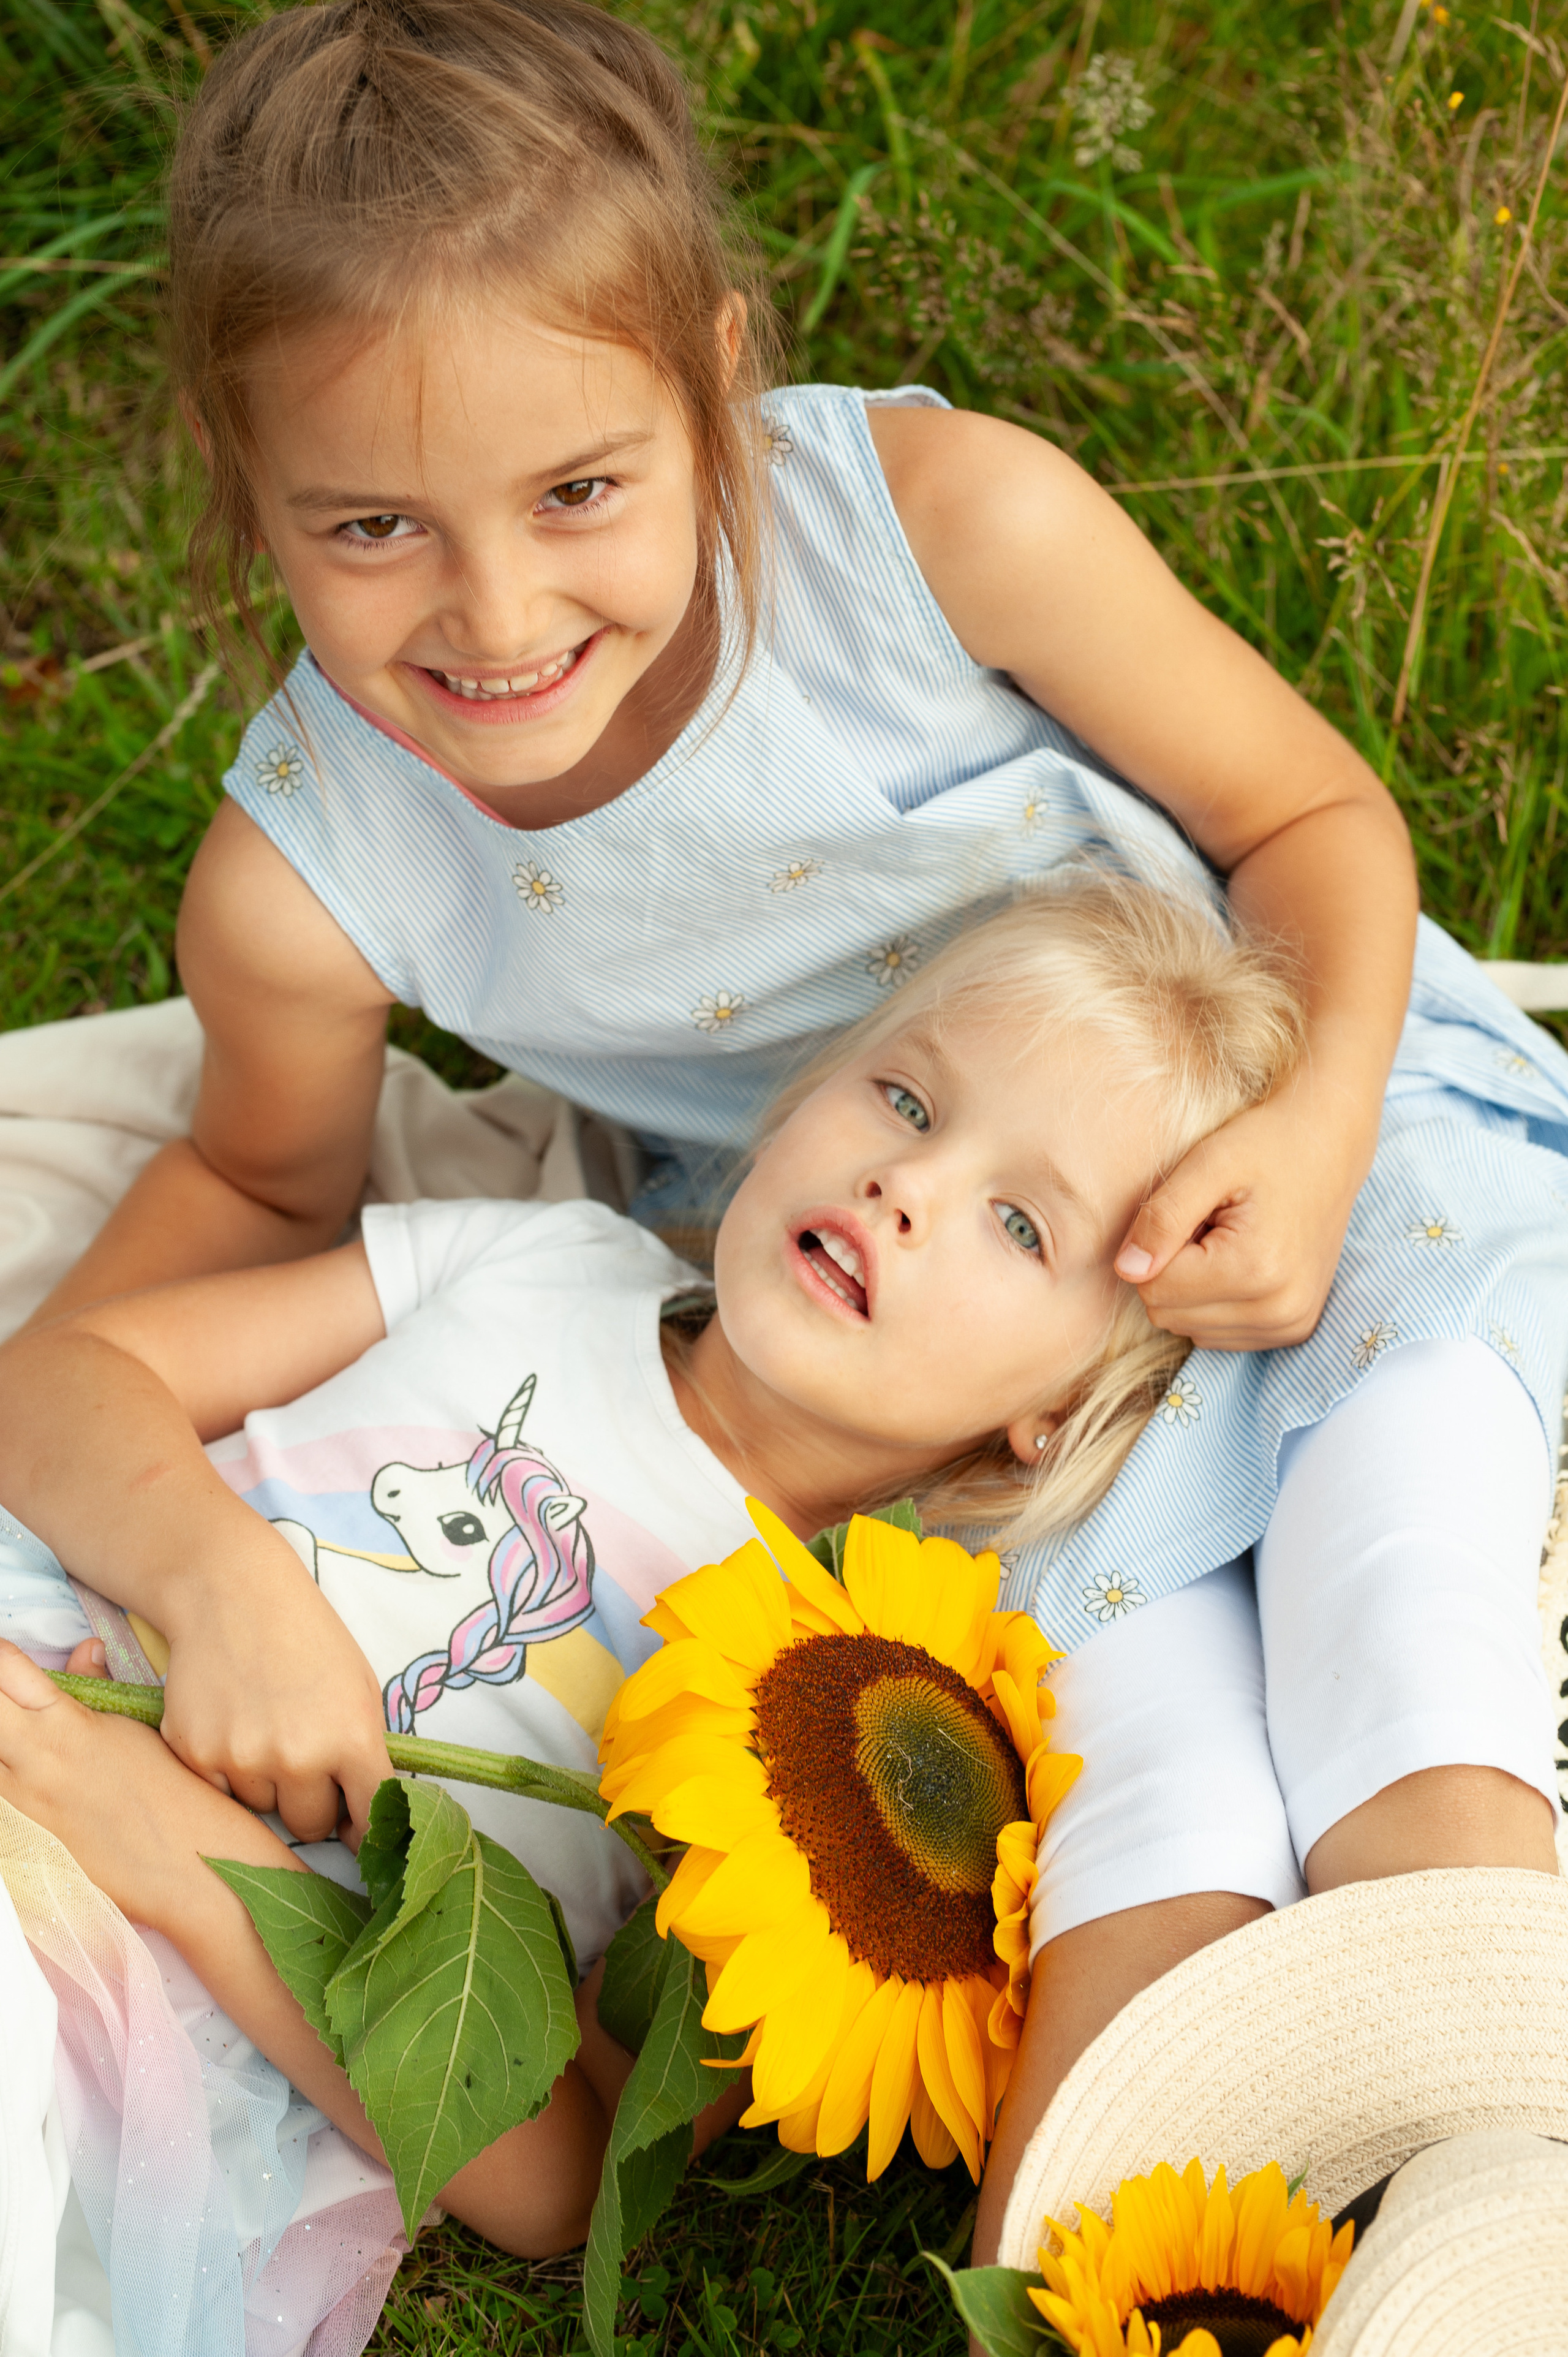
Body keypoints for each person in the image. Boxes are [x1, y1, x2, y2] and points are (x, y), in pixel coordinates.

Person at [10, 0, 1568, 2291]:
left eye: (581, 491)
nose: (497, 613)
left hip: (1294, 1111)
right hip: (954, 1306)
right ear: (248, 494)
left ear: (717, 380)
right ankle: (1145, 2260)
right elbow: (256, 1187)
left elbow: (1306, 815)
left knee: (1385, 1552)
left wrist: (1324, 1125)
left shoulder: (936, 534)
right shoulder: (313, 877)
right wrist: (125, 1496)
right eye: (371, 526)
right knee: (1131, 1737)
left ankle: (1503, 2094)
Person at [0, 875, 1296, 2326]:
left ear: (1057, 1411)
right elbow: (51, 1384)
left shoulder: (839, 1733)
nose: (905, 1184)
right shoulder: (538, 1261)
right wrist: (222, 1583)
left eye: (1017, 1222)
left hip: (153, 2011)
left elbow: (556, 2172)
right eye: (906, 1100)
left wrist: (184, 1861)